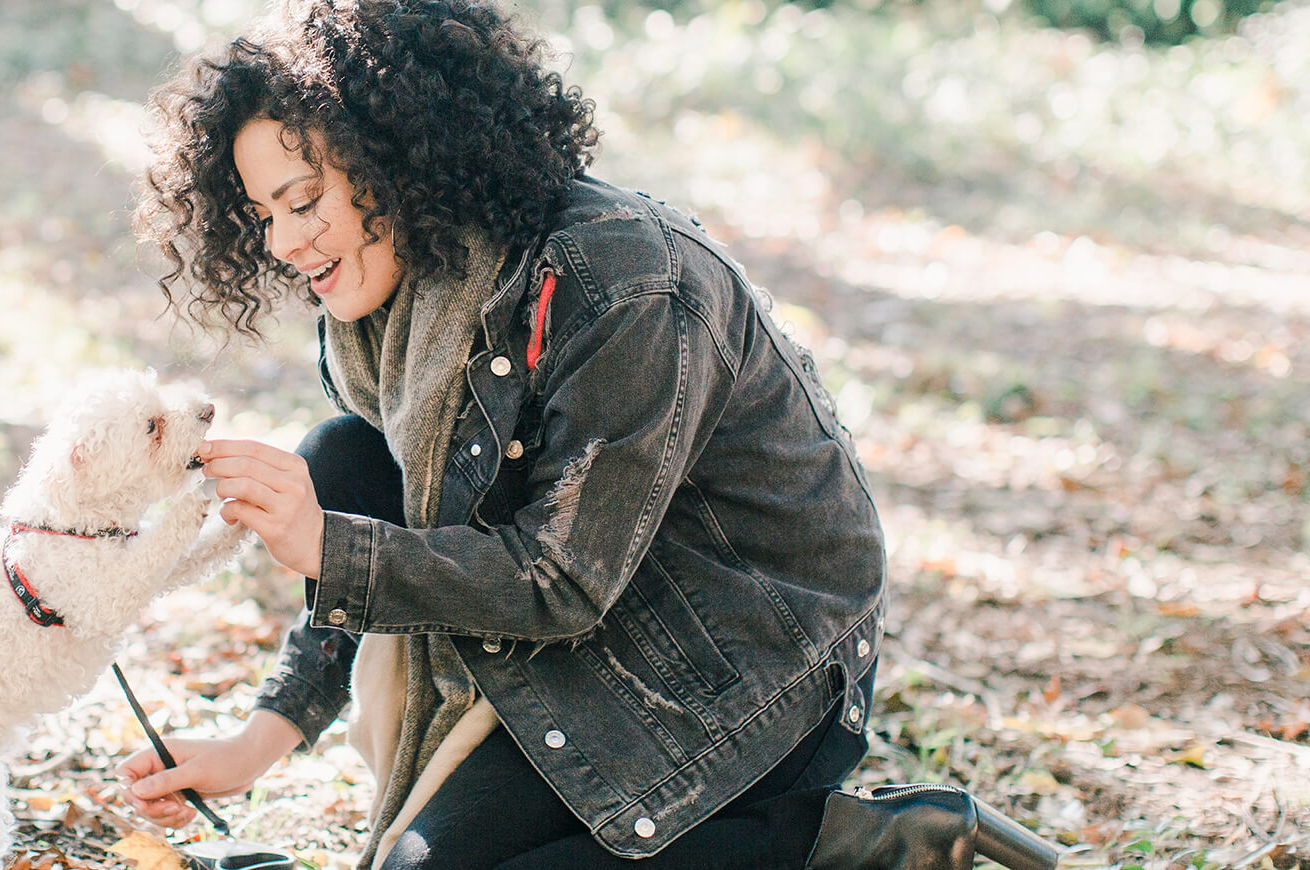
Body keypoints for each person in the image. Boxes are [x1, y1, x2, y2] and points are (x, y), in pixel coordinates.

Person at [115, 1, 983, 868]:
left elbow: (559, 579)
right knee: (340, 457)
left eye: (303, 202)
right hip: (586, 635)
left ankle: (841, 848)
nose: (284, 243)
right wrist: (255, 742)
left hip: (750, 669)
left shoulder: (624, 282)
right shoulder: (396, 298)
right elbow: (367, 504)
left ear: (396, 162)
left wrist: (326, 546)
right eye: (264, 215)